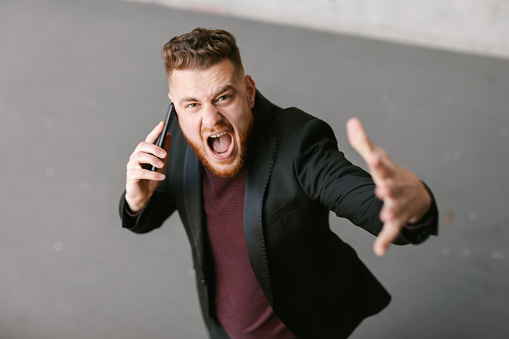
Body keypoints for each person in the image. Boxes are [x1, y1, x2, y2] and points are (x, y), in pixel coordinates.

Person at [119, 27, 438, 339]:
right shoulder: (176, 143)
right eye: (192, 104)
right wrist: (137, 200)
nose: (211, 118)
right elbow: (145, 220)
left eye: (224, 97)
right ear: (175, 106)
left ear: (249, 91)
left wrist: (413, 206)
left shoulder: (300, 143)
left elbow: (359, 195)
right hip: (223, 325)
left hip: (299, 327)